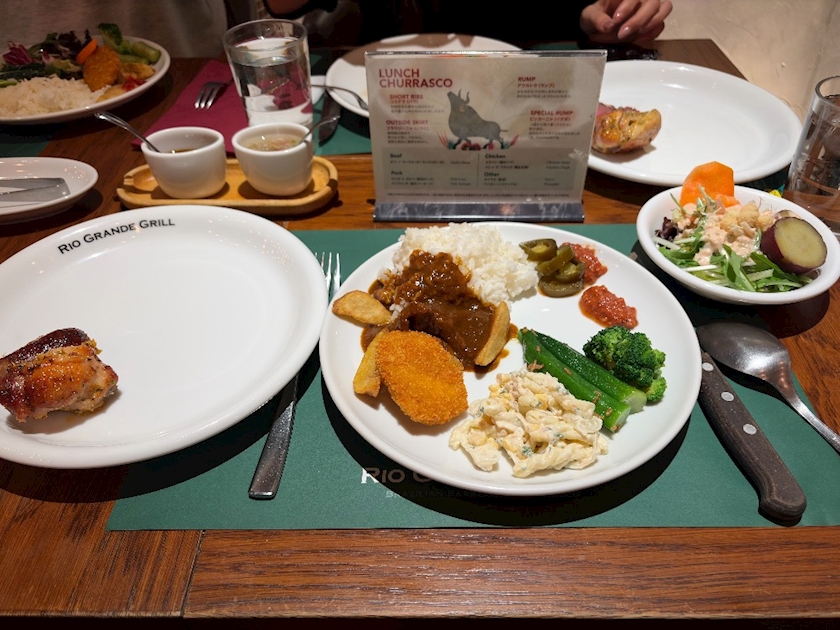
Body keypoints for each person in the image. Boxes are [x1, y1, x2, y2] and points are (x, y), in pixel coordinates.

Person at [261, 0, 673, 48]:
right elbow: (280, 4)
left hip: (530, 82)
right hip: (374, 100)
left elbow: (588, 12)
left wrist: (603, 15)